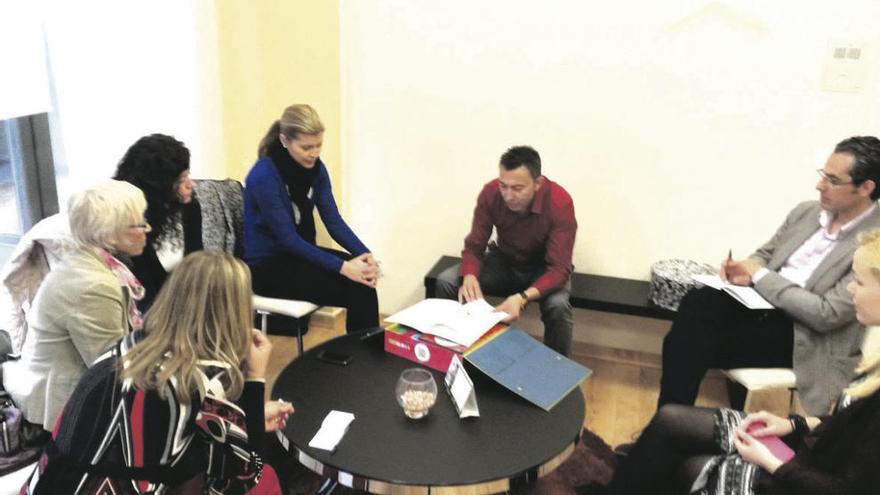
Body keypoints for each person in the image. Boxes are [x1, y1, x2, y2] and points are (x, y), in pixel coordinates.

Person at [590, 228, 880, 495]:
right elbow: (847, 424)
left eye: (860, 282)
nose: (851, 289)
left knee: (690, 467)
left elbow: (849, 488)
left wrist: (773, 463)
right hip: (816, 446)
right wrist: (794, 425)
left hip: (812, 473)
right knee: (672, 418)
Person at [23, 251, 295, 494]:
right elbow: (250, 471)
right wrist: (255, 378)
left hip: (52, 482)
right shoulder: (203, 379)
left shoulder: (124, 350)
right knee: (267, 480)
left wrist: (246, 419)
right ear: (236, 313)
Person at [658, 136, 880, 416]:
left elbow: (826, 314)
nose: (820, 185)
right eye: (823, 174)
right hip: (762, 308)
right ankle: (673, 427)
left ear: (866, 188)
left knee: (687, 343)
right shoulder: (807, 212)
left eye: (833, 180)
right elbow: (765, 255)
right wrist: (744, 270)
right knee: (700, 301)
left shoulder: (873, 241)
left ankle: (668, 426)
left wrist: (760, 276)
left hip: (806, 336)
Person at [2, 180, 149, 432]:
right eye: (138, 223)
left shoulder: (93, 266)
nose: (148, 227)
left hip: (73, 389)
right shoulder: (91, 285)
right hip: (64, 412)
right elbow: (114, 370)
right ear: (109, 233)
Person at [244, 104, 379, 333]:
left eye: (318, 146)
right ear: (285, 140)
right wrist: (344, 267)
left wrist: (365, 255)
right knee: (358, 285)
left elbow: (333, 220)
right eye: (306, 147)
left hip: (298, 256)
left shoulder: (317, 169)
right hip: (268, 267)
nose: (314, 153)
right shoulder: (263, 176)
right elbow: (288, 239)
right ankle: (362, 358)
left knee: (363, 280)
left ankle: (364, 359)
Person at [434, 145, 577, 356]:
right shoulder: (491, 193)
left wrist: (521, 297)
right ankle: (448, 354)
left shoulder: (560, 202)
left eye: (517, 188)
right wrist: (470, 275)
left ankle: (558, 373)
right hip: (505, 261)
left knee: (558, 305)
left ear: (538, 183)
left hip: (543, 269)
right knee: (447, 281)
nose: (508, 195)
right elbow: (474, 246)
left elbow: (559, 269)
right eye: (504, 186)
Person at [113, 133, 200, 311]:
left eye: (188, 176)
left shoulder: (169, 207)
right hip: (137, 306)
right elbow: (148, 295)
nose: (191, 184)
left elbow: (195, 263)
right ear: (160, 186)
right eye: (182, 180)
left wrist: (190, 208)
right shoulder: (129, 221)